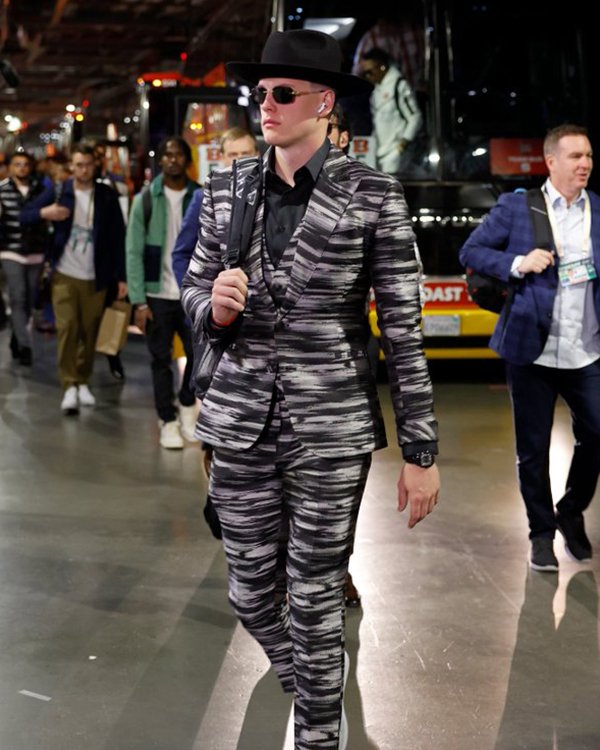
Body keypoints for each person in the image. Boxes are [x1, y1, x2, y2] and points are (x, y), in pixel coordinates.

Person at [181, 29, 440, 749]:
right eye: (259, 94)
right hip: (237, 421)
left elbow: (404, 330)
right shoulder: (227, 187)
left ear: (324, 103)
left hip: (332, 427)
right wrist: (215, 308)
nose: (266, 105)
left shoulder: (374, 195)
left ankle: (320, 731)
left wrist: (421, 450)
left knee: (318, 591)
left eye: (282, 93)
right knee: (249, 589)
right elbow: (194, 292)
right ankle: (314, 683)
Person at [459, 123, 600, 572]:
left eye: (589, 157)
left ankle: (571, 512)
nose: (585, 164)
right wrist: (517, 263)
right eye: (576, 156)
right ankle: (541, 534)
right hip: (532, 351)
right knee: (532, 450)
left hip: (586, 350)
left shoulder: (598, 208)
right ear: (551, 161)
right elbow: (472, 251)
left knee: (596, 435)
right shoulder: (518, 207)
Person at [126, 136, 201, 449]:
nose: (172, 160)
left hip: (190, 290)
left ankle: (186, 404)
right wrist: (138, 300)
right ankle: (167, 420)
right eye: (167, 154)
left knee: (198, 356)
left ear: (187, 160)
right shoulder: (146, 198)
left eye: (178, 154)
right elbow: (133, 251)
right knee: (160, 359)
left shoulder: (200, 195)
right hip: (157, 293)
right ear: (161, 161)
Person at [42, 142, 127, 413]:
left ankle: (82, 380)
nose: (84, 170)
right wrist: (46, 212)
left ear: (95, 166)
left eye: (88, 165)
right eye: (79, 165)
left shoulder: (105, 195)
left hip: (96, 276)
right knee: (67, 329)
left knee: (90, 331)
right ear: (72, 166)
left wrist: (121, 277)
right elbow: (26, 213)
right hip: (64, 274)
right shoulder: (59, 190)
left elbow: (118, 237)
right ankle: (69, 384)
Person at [0, 152, 56, 365]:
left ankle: (17, 334)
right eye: (17, 164)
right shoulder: (3, 190)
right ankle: (25, 346)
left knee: (30, 299)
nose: (22, 168)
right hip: (10, 250)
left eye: (25, 165)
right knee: (18, 295)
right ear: (10, 167)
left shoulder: (41, 190)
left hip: (35, 251)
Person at [359, 47, 423, 179]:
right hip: (380, 151)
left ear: (382, 67)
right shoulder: (375, 91)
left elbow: (415, 117)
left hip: (397, 152)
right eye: (364, 73)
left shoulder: (399, 85)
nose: (367, 76)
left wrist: (403, 143)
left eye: (370, 72)